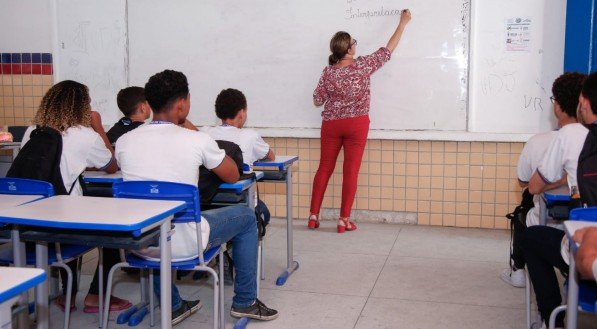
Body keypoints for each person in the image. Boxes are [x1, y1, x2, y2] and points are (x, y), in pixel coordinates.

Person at [115, 70, 278, 324]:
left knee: (155, 220)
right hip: (184, 242)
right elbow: (233, 176)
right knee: (247, 217)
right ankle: (245, 301)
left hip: (140, 243)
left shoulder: (124, 142)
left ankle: (174, 305)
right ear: (182, 104)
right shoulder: (197, 140)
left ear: (149, 104)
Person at [20, 80, 130, 313]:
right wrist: (98, 127)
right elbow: (111, 165)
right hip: (65, 225)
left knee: (64, 212)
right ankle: (96, 296)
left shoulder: (33, 131)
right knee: (113, 227)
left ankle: (67, 295)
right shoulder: (84, 135)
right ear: (81, 107)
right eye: (88, 102)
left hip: (29, 220)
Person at [309, 9, 411, 233]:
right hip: (356, 124)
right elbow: (387, 49)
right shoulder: (363, 65)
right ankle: (343, 220)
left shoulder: (328, 72)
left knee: (324, 167)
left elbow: (317, 100)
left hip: (331, 125)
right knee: (351, 170)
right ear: (348, 48)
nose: (356, 44)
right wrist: (402, 24)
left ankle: (314, 215)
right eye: (353, 42)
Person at [500, 73, 585, 288]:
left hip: (552, 225)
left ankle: (519, 270)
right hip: (585, 224)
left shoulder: (542, 141)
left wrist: (557, 180)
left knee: (525, 210)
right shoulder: (589, 139)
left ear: (557, 106)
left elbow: (525, 183)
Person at [524, 72, 591, 329]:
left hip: (585, 245)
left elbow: (533, 186)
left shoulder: (570, 134)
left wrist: (562, 178)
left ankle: (554, 320)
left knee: (530, 238)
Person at [201, 88, 274, 165]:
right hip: (239, 177)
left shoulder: (205, 132)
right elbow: (271, 157)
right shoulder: (251, 136)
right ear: (241, 113)